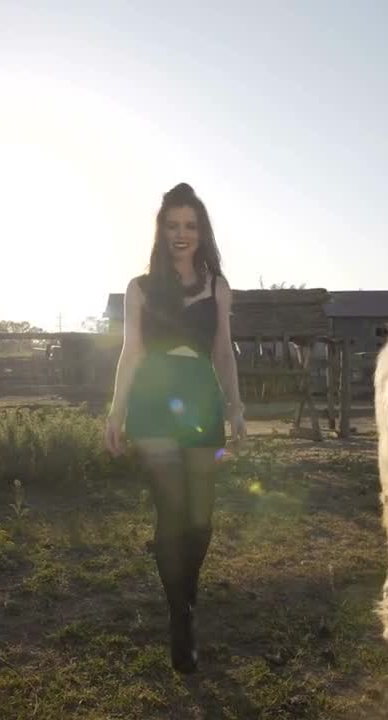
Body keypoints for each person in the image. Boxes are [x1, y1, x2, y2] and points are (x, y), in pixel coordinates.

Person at [105, 182, 246, 674]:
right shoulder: (140, 288)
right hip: (154, 400)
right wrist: (116, 412)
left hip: (202, 400)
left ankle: (184, 592)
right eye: (172, 225)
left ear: (201, 231)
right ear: (161, 231)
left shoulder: (218, 286)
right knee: (171, 513)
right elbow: (131, 352)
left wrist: (237, 407)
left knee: (200, 520)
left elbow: (223, 352)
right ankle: (180, 619)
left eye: (190, 225)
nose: (181, 234)